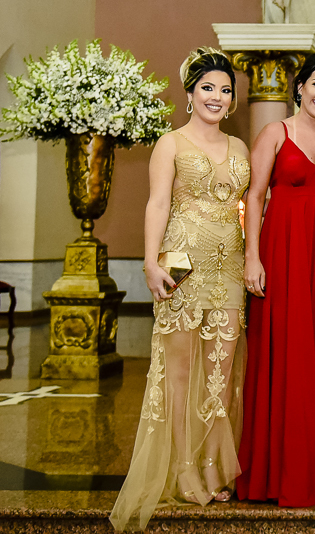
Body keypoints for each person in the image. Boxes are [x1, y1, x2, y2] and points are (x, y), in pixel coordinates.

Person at [110, 48, 250, 532]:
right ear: (190, 94)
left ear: (232, 101)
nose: (216, 96)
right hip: (180, 263)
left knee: (221, 369)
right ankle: (183, 465)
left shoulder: (241, 148)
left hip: (229, 267)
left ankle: (212, 461)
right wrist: (150, 262)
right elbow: (157, 204)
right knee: (180, 369)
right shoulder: (170, 143)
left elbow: (245, 210)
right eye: (208, 87)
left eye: (225, 90)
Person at [237, 51, 315, 506]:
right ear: (300, 87)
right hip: (282, 254)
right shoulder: (275, 133)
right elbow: (253, 199)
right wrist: (252, 258)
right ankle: (280, 471)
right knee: (284, 355)